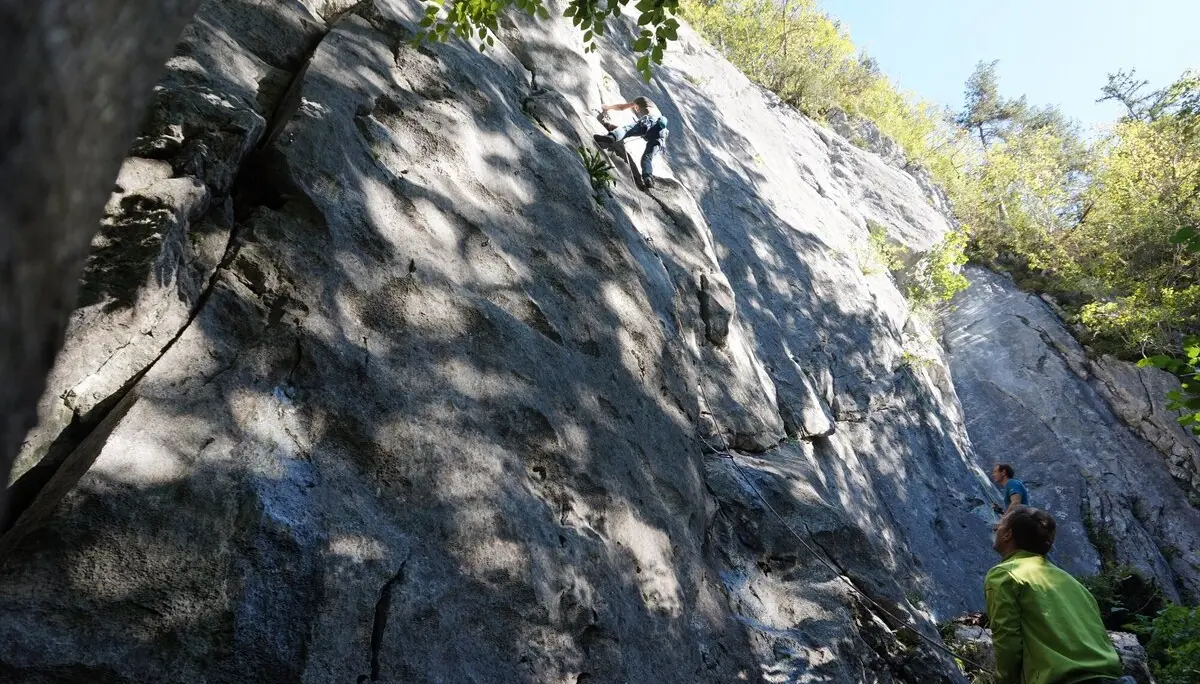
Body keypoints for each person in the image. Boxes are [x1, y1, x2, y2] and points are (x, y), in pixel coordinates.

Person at [986, 506, 1133, 684]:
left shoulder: (1005, 575)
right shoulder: (1075, 585)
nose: (995, 528)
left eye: (1000, 525)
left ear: (1008, 534)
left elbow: (1007, 637)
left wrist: (1004, 680)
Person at [594, 96, 669, 189]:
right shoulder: (658, 112)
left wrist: (607, 107)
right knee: (647, 158)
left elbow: (621, 107)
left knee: (626, 130)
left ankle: (611, 137)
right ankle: (648, 177)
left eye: (635, 107)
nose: (635, 109)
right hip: (661, 135)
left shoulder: (642, 99)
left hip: (650, 121)